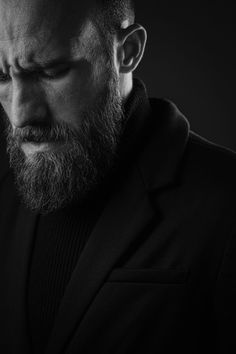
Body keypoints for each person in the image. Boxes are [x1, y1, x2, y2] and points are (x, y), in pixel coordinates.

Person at [0, 0, 235, 353]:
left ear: (127, 51)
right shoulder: (3, 199)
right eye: (2, 76)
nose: (20, 115)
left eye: (50, 71)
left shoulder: (226, 203)